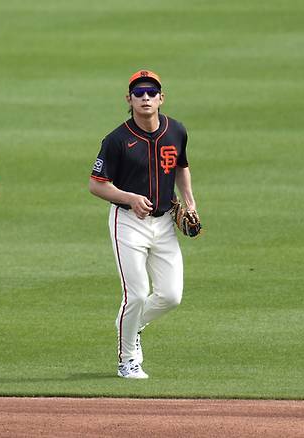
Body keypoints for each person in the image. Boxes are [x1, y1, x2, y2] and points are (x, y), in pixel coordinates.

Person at [89, 70, 198, 379]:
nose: (146, 97)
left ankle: (131, 323)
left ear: (161, 98)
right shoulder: (116, 140)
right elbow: (96, 185)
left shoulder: (176, 131)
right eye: (139, 93)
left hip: (164, 224)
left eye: (152, 92)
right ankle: (127, 359)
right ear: (129, 99)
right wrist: (130, 197)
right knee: (135, 295)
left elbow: (182, 167)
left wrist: (189, 202)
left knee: (171, 295)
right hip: (127, 223)